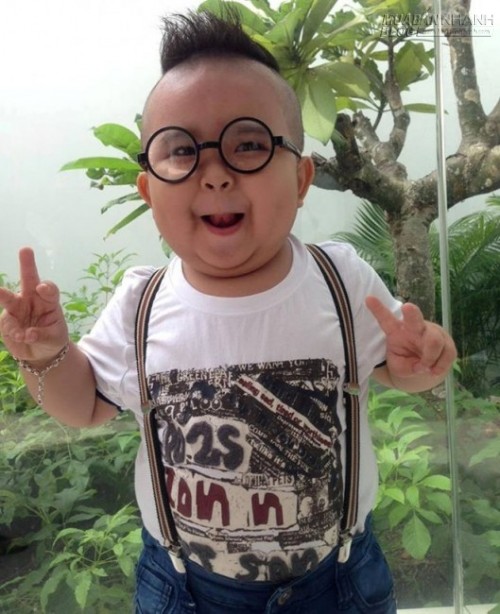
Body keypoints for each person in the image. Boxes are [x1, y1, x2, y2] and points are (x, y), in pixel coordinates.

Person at [0, 10, 456, 614]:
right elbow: (84, 407)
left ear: (301, 179)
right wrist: (47, 356)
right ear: (149, 190)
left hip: (337, 581)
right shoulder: (140, 303)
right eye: (180, 151)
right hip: (186, 587)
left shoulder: (341, 280)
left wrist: (422, 362)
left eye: (248, 144)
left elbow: (398, 368)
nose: (214, 174)